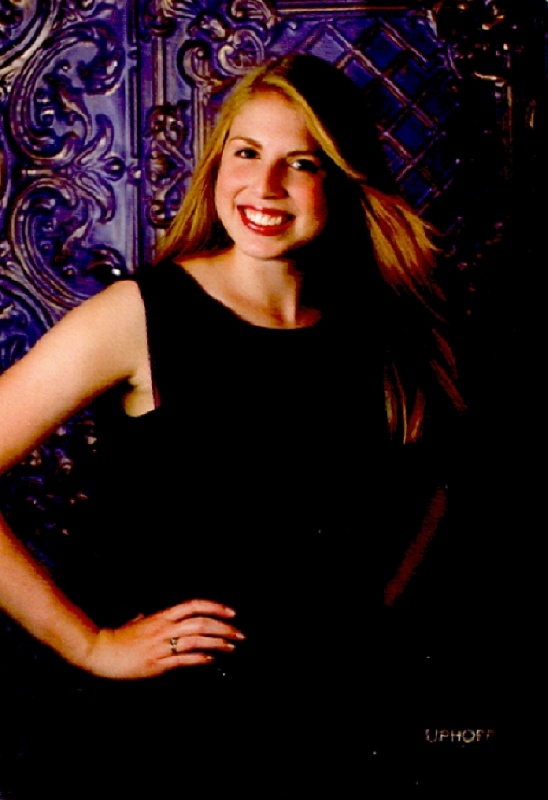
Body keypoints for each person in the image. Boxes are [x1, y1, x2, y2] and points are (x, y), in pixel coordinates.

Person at [0, 54, 462, 798]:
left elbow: (436, 485)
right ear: (217, 164)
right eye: (246, 153)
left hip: (335, 732)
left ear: (342, 180)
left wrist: (369, 614)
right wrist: (89, 644)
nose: (266, 185)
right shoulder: (140, 315)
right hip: (168, 741)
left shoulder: (383, 327)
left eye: (301, 163)